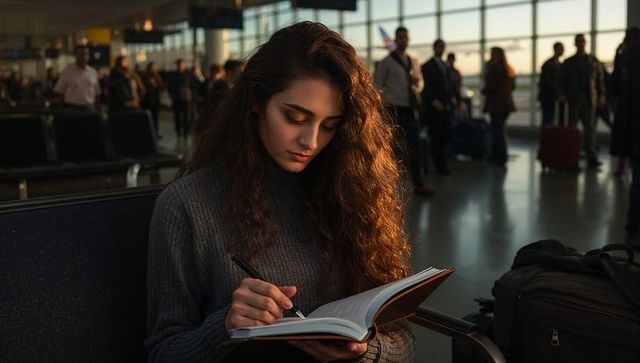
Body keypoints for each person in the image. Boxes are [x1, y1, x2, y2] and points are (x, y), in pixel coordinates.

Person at [146, 22, 415, 362]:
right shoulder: (186, 206)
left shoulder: (352, 193)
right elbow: (163, 353)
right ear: (256, 100)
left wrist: (364, 353)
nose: (311, 141)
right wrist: (225, 327)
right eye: (294, 117)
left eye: (329, 125)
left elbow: (404, 340)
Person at [373, 26, 433, 195]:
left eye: (405, 37)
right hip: (392, 109)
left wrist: (416, 82)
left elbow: (421, 85)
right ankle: (388, 186)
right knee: (391, 148)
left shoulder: (414, 62)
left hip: (410, 109)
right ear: (395, 39)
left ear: (408, 39)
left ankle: (419, 184)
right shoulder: (386, 62)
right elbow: (377, 86)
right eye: (400, 37)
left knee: (415, 147)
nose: (403, 40)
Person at [609, 26, 640, 248]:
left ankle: (632, 230)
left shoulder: (624, 58)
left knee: (637, 182)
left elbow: (613, 88)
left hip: (632, 130)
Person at [559, 34, 605, 168]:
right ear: (575, 44)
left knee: (589, 128)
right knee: (572, 128)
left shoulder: (593, 60)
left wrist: (602, 95)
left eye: (582, 42)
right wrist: (562, 94)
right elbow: (562, 80)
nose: (580, 44)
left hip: (589, 98)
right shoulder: (568, 62)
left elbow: (599, 80)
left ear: (585, 43)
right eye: (578, 42)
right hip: (574, 99)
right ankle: (571, 155)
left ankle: (591, 156)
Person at [421, 39, 464, 175]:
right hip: (435, 107)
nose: (441, 49)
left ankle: (438, 158)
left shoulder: (446, 66)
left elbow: (453, 85)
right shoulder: (427, 66)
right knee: (436, 135)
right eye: (439, 47)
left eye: (443, 47)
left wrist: (459, 100)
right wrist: (434, 101)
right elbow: (425, 87)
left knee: (447, 133)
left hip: (446, 106)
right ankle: (439, 164)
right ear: (434, 48)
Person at [482, 47, 516, 167]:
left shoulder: (494, 68)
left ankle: (500, 156)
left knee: (497, 131)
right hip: (506, 104)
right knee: (500, 129)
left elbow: (490, 86)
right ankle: (498, 154)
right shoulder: (509, 69)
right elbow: (512, 87)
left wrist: (484, 90)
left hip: (496, 105)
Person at [195, 59, 245, 135]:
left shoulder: (232, 87)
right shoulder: (221, 87)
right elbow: (215, 111)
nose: (242, 75)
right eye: (240, 72)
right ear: (230, 72)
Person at [53, 44, 101, 109]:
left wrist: (98, 110)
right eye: (81, 55)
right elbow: (60, 92)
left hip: (89, 108)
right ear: (75, 56)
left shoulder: (93, 72)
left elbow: (97, 94)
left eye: (86, 54)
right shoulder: (67, 72)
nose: (84, 57)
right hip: (71, 108)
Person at [538, 42, 565, 127]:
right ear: (555, 49)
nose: (562, 51)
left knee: (550, 121)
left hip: (553, 97)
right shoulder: (548, 64)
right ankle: (546, 139)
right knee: (547, 121)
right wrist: (558, 93)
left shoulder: (559, 64)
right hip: (548, 98)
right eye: (561, 48)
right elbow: (547, 81)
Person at [167, 59, 195, 138]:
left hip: (187, 98)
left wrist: (192, 95)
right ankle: (178, 130)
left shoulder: (188, 74)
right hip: (177, 98)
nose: (180, 66)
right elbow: (169, 86)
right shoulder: (173, 75)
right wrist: (172, 94)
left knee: (187, 115)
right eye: (179, 65)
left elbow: (193, 85)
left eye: (182, 65)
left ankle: (186, 130)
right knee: (177, 115)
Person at [143, 62, 164, 136]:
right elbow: (143, 87)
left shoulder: (157, 76)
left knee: (156, 118)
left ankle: (155, 132)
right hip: (148, 99)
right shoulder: (145, 76)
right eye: (152, 67)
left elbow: (161, 86)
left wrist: (157, 84)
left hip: (156, 99)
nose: (153, 69)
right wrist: (149, 84)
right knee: (148, 118)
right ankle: (148, 132)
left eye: (154, 67)